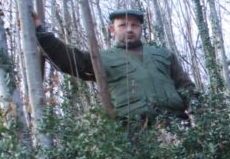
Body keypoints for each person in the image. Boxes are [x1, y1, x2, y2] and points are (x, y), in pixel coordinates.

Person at [35, 9, 196, 122]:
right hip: (135, 131)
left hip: (176, 123)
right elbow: (71, 60)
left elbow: (186, 86)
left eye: (134, 25)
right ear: (112, 30)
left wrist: (198, 112)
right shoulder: (102, 58)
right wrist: (42, 34)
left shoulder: (163, 54)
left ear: (141, 29)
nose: (129, 29)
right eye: (123, 25)